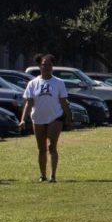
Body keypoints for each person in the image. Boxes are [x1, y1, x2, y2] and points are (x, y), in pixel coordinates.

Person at [19, 54, 72, 182]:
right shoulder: (33, 83)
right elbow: (29, 103)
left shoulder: (59, 83)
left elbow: (64, 102)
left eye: (49, 65)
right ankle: (42, 175)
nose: (47, 67)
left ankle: (53, 176)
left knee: (52, 146)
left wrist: (69, 118)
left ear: (52, 66)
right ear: (39, 66)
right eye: (44, 64)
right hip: (38, 119)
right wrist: (22, 119)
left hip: (55, 117)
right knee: (41, 148)